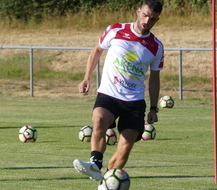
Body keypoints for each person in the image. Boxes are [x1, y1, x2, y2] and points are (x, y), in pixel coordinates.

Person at [73, 0, 164, 182]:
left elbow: (155, 78)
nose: (147, 21)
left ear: (156, 20)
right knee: (98, 120)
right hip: (109, 94)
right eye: (145, 15)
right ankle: (95, 165)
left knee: (125, 146)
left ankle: (107, 182)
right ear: (138, 11)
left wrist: (154, 108)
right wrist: (87, 77)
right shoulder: (116, 30)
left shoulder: (156, 46)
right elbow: (97, 50)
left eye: (152, 19)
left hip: (135, 101)